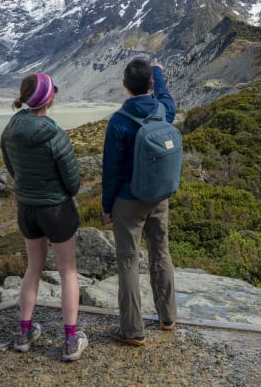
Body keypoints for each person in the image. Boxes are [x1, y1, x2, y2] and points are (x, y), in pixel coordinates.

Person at [0, 72, 87, 362]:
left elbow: (13, 169)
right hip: (57, 209)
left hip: (27, 207)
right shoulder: (55, 134)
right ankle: (70, 340)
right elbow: (73, 183)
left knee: (33, 268)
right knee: (68, 271)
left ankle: (24, 333)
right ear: (49, 98)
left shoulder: (10, 130)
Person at [101, 57, 178, 346]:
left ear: (124, 86)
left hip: (128, 201)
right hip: (159, 196)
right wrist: (158, 72)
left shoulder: (119, 121)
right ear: (150, 85)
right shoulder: (163, 111)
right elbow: (166, 96)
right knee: (161, 252)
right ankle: (167, 317)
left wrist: (107, 206)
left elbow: (110, 170)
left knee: (129, 261)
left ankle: (132, 330)